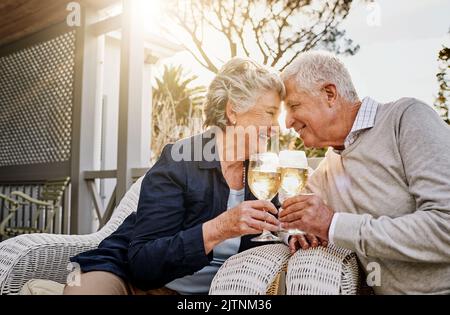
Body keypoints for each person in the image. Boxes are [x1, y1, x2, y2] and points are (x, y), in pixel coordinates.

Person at [64, 57, 286, 295]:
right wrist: (220, 227)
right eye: (270, 113)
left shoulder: (262, 171)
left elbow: (271, 229)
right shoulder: (180, 160)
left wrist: (291, 233)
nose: (277, 127)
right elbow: (143, 262)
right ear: (233, 111)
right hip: (130, 276)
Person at [279, 51, 450, 294]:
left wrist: (332, 224)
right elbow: (284, 214)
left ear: (330, 94)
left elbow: (445, 226)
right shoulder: (330, 163)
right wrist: (296, 232)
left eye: (294, 106)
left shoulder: (407, 119)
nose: (287, 122)